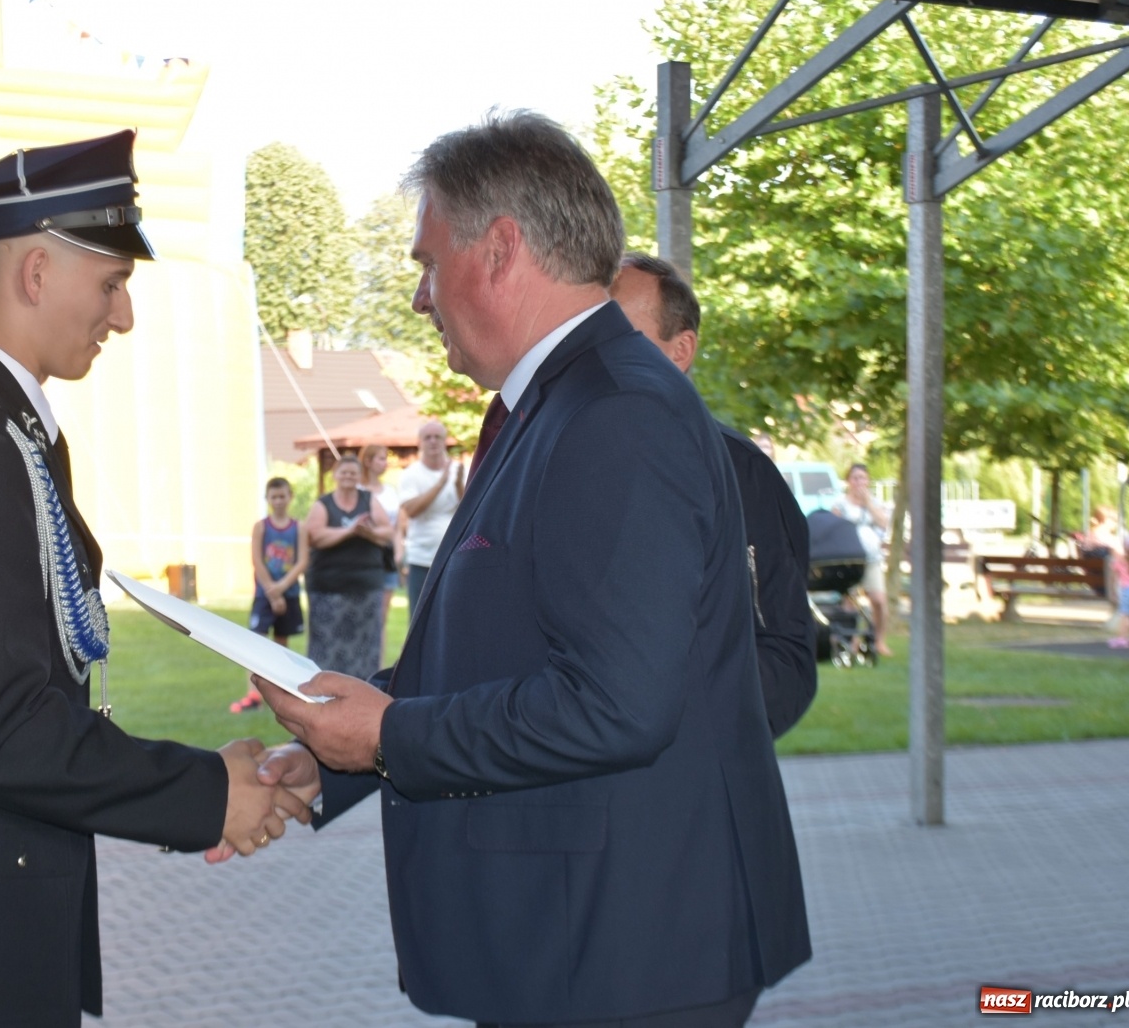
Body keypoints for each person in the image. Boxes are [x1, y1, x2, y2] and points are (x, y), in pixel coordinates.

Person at [254, 111, 810, 1027]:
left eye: (429, 265)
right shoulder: (557, 407)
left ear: (502, 248)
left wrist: (390, 739)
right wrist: (338, 757)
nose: (423, 298)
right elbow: (505, 657)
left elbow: (614, 703)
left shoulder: (614, 412)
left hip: (623, 957)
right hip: (580, 946)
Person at [0, 132, 305, 1028]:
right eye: (111, 284)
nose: (123, 318)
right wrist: (205, 795)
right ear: (36, 271)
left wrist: (204, 784)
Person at [611, 252, 817, 738]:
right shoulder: (556, 455)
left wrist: (679, 738)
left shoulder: (738, 472)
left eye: (619, 334)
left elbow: (783, 661)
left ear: (681, 351)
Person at [303, 453, 392, 680]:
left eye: (353, 473)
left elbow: (387, 532)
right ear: (335, 475)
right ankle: (324, 690)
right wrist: (350, 531)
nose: (348, 476)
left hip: (366, 587)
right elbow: (315, 536)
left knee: (365, 645)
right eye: (344, 472)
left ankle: (364, 691)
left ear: (359, 476)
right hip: (328, 589)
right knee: (327, 645)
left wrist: (368, 533)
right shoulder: (323, 504)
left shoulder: (368, 499)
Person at [230, 476, 309, 713]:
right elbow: (257, 559)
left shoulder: (299, 528)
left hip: (290, 593)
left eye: (282, 496)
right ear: (267, 499)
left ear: (290, 497)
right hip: (265, 595)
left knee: (281, 643)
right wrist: (272, 593)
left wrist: (283, 587)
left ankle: (280, 691)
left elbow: (302, 560)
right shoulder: (261, 527)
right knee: (257, 642)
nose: (278, 501)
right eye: (274, 497)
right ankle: (253, 694)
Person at [397, 420, 464, 613]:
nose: (433, 442)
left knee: (452, 615)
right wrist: (440, 484)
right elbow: (411, 510)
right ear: (420, 442)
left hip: (453, 557)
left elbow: (470, 511)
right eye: (428, 437)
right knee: (420, 616)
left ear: (445, 441)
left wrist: (459, 485)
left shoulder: (459, 470)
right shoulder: (410, 474)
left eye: (438, 437)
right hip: (422, 559)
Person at [832, 462, 892, 657]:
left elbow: (883, 523)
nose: (859, 482)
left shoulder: (874, 502)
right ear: (848, 481)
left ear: (868, 481)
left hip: (872, 559)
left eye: (863, 478)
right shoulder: (840, 505)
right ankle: (851, 641)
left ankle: (878, 640)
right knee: (851, 602)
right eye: (855, 478)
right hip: (849, 561)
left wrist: (868, 503)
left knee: (879, 601)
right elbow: (833, 530)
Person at [360, 442, 402, 662]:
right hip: (363, 560)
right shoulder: (357, 491)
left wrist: (398, 550)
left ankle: (377, 665)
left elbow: (396, 526)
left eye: (385, 458)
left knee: (381, 618)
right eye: (380, 458)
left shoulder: (390, 492)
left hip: (386, 559)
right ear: (367, 461)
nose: (384, 463)